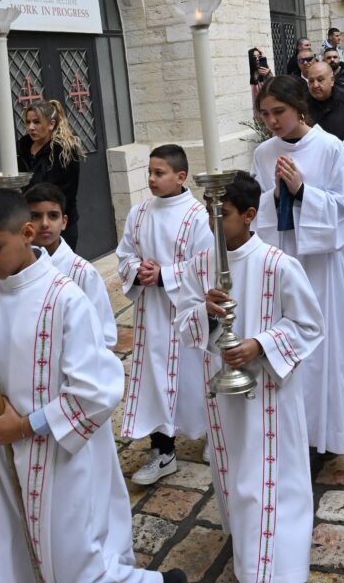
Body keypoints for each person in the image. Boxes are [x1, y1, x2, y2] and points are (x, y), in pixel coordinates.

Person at [0, 189, 185, 583]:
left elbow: (98, 391)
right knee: (15, 551)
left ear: (26, 232)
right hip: (1, 452)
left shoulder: (64, 298)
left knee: (74, 566)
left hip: (58, 455)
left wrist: (26, 426)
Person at [175, 171, 324, 583]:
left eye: (220, 213)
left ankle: (281, 568)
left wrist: (260, 345)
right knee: (238, 480)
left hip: (269, 396)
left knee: (271, 481)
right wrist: (203, 310)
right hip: (222, 397)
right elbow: (182, 323)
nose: (211, 221)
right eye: (207, 211)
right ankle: (248, 552)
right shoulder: (200, 265)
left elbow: (309, 325)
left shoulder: (279, 265)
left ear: (250, 214)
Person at [250, 75, 344, 456]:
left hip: (325, 268)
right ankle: (292, 435)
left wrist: (303, 191)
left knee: (325, 350)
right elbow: (259, 213)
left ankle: (327, 437)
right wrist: (274, 193)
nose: (272, 121)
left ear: (299, 105)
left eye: (279, 112)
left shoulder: (330, 148)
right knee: (288, 345)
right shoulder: (263, 153)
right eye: (265, 114)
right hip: (285, 263)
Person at [116, 145, 212, 484]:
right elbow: (124, 253)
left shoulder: (197, 216)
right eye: (150, 172)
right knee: (155, 381)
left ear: (181, 176)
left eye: (160, 173)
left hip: (186, 314)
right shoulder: (139, 212)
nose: (152, 179)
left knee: (194, 377)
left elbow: (206, 263)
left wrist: (165, 275)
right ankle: (163, 450)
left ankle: (211, 436)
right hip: (151, 316)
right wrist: (137, 269)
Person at [26, 183, 117, 350]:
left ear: (64, 222)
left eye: (53, 216)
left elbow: (105, 335)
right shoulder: (19, 271)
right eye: (35, 216)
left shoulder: (83, 273)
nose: (45, 224)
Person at [18, 99, 86, 250]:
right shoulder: (22, 147)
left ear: (51, 124)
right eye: (28, 122)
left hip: (58, 224)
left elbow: (63, 193)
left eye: (36, 122)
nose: (31, 127)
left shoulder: (64, 151)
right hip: (29, 222)